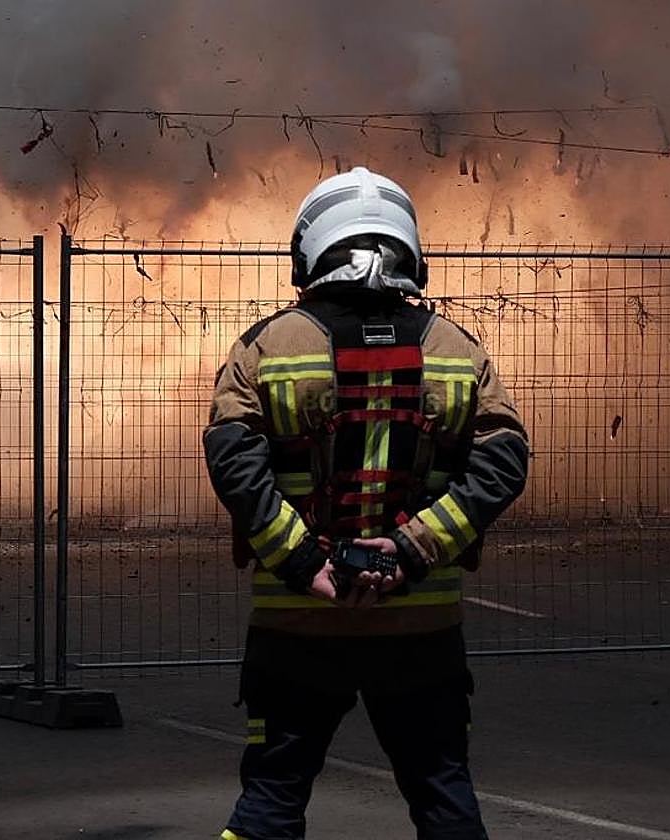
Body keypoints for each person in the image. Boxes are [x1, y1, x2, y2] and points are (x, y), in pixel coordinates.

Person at [203, 166, 529, 840]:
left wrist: (304, 567)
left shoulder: (265, 347)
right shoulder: (457, 349)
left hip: (296, 628)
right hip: (421, 632)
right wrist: (413, 550)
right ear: (409, 247)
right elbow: (503, 460)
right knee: (444, 800)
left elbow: (236, 465)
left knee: (271, 800)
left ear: (311, 247)